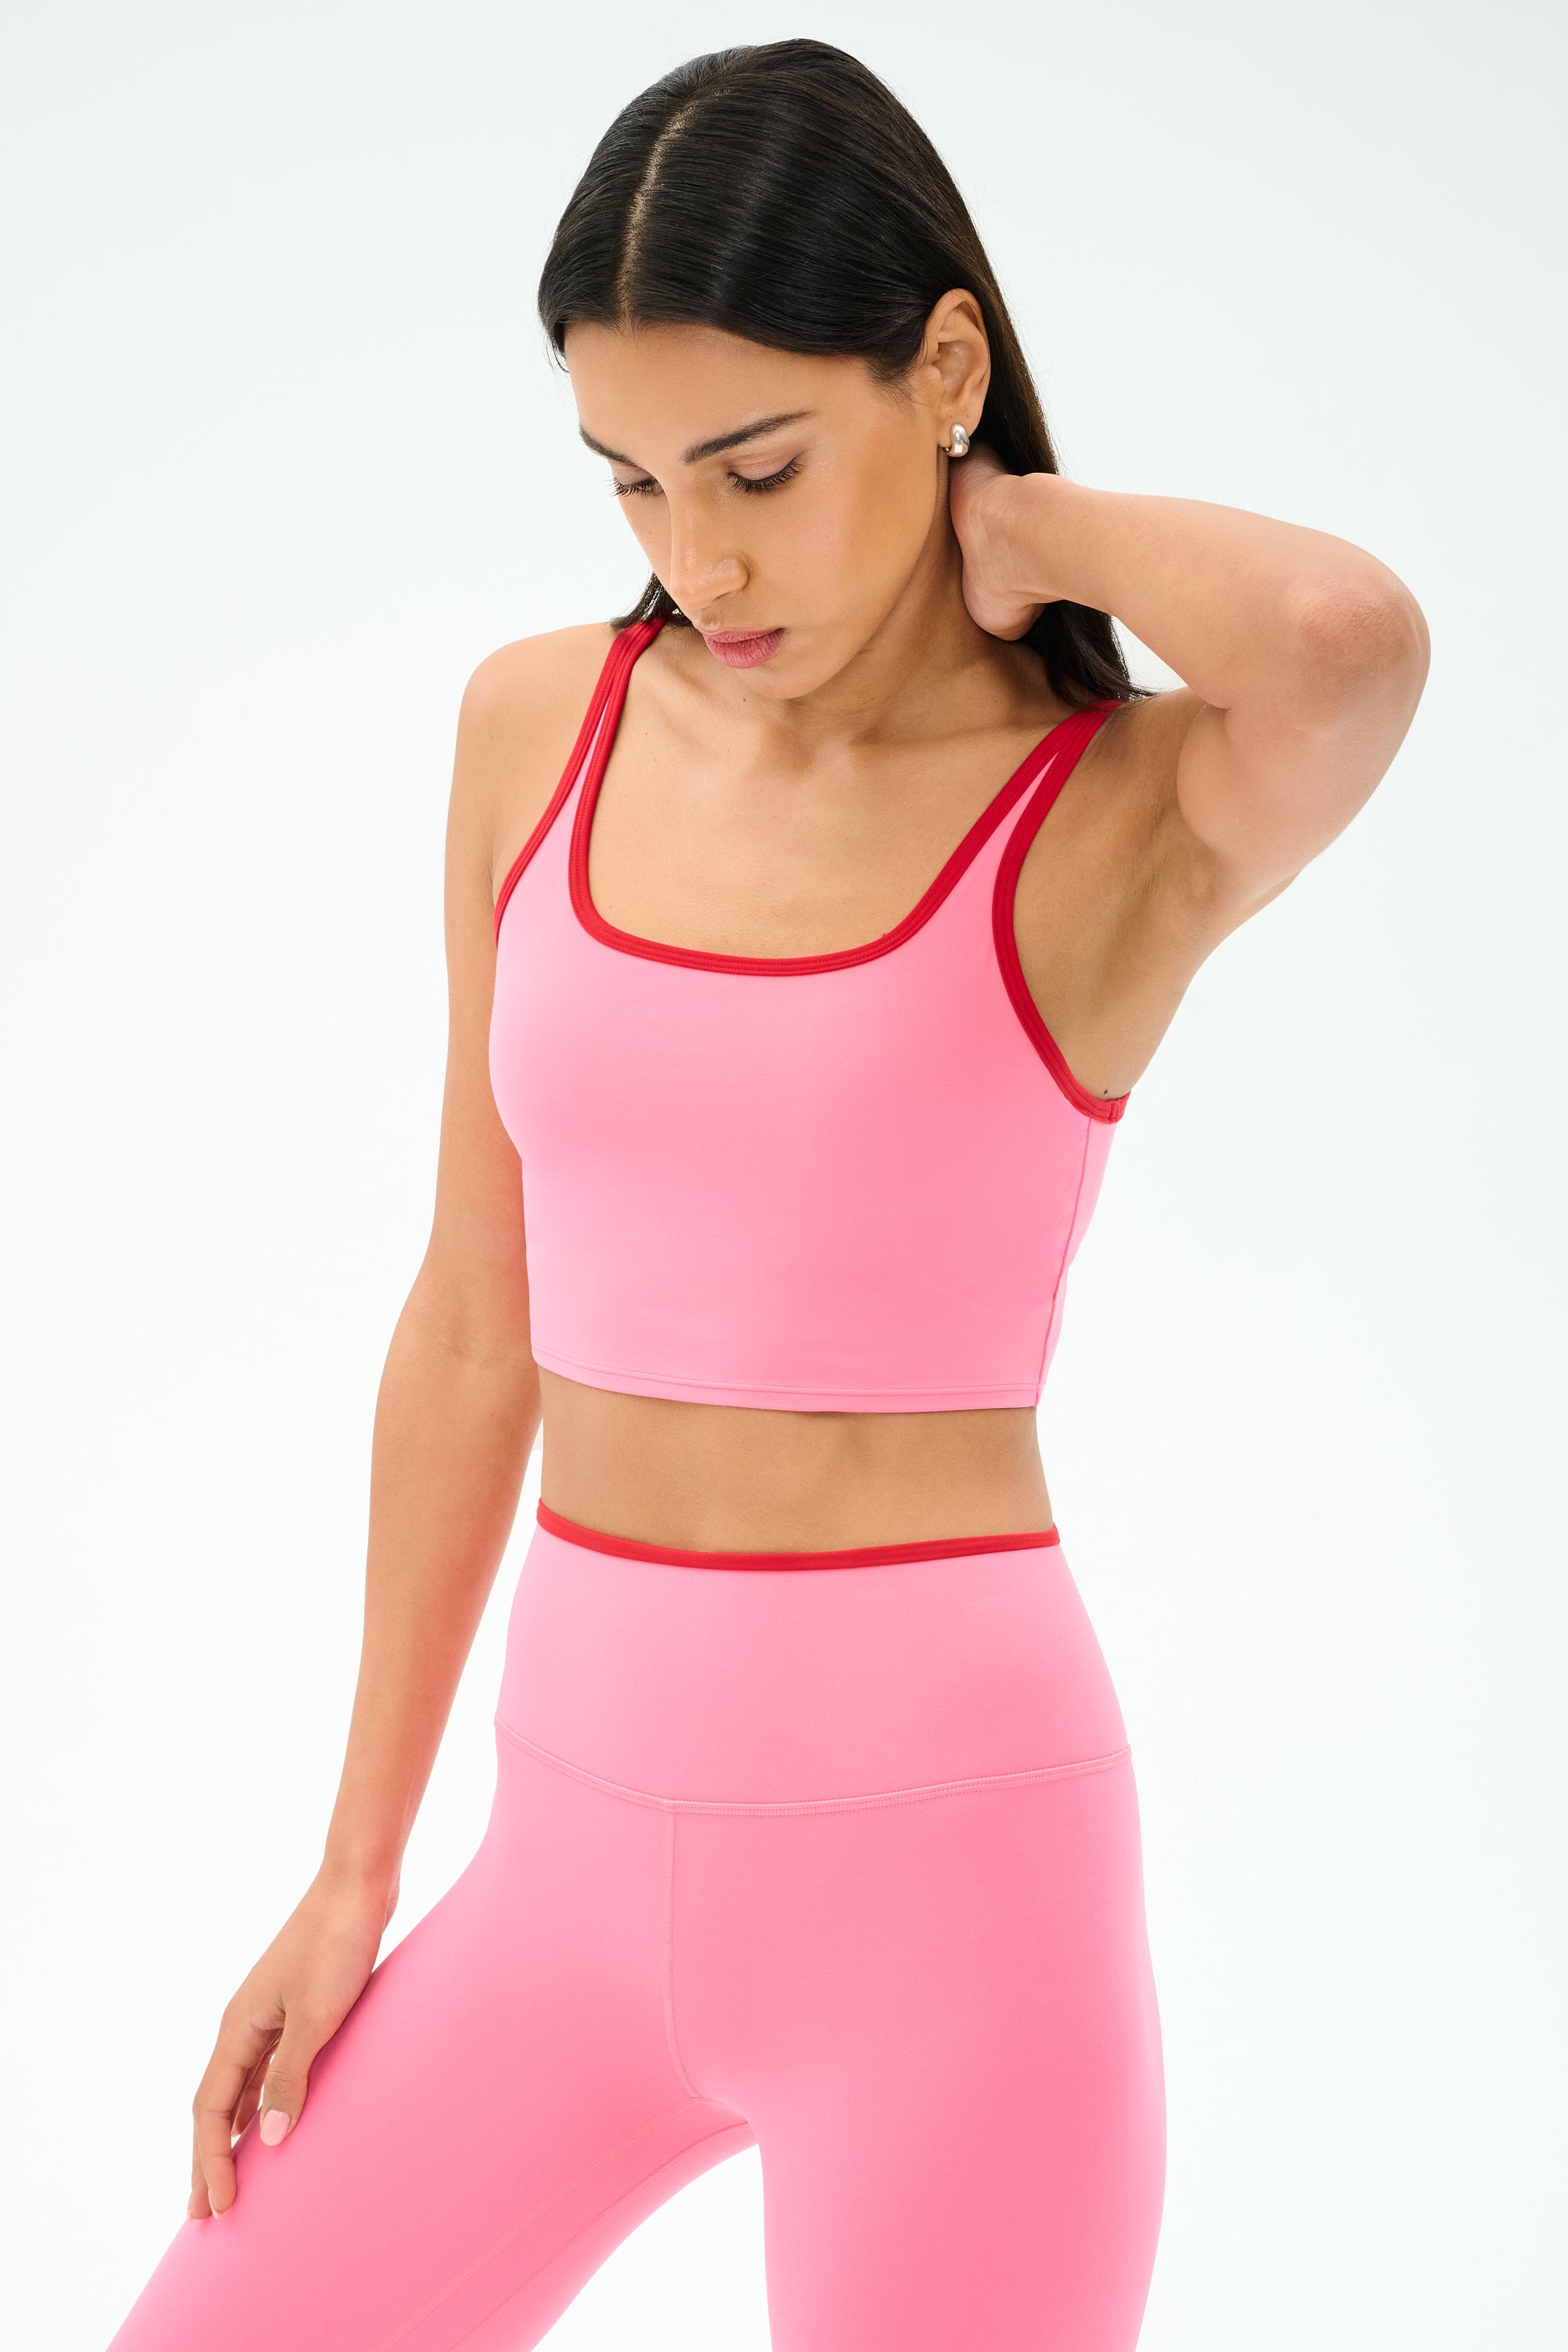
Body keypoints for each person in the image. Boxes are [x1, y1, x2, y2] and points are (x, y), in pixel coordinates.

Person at [106, 37, 1428, 2352]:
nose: (696, 561)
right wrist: (350, 1870)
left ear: (938, 367)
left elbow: (1343, 642)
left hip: (951, 1900)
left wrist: (1020, 521)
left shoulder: (1109, 813)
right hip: (560, 1876)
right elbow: (471, 1320)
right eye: (629, 483)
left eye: (757, 466)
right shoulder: (543, 726)